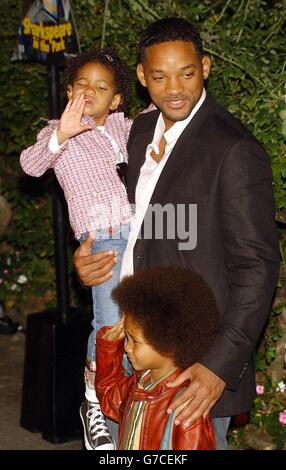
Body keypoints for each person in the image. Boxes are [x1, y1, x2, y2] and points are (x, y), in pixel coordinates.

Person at [73, 17, 280, 450]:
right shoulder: (139, 131)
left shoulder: (234, 149)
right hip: (130, 349)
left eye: (186, 73)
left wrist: (219, 366)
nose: (175, 89)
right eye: (160, 76)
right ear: (143, 75)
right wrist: (92, 259)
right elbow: (133, 224)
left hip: (192, 365)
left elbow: (256, 267)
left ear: (205, 67)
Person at [20, 47, 133, 450]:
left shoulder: (128, 127)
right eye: (82, 84)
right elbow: (31, 165)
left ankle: (128, 403)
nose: (90, 91)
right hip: (102, 240)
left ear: (116, 99)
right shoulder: (58, 134)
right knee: (108, 326)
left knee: (139, 327)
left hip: (142, 234)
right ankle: (96, 404)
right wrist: (61, 134)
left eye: (101, 87)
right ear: (69, 90)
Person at [96, 266, 217, 450]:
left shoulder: (185, 405)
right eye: (126, 338)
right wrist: (108, 347)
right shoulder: (139, 383)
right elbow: (109, 397)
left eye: (135, 341)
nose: (127, 347)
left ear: (167, 344)